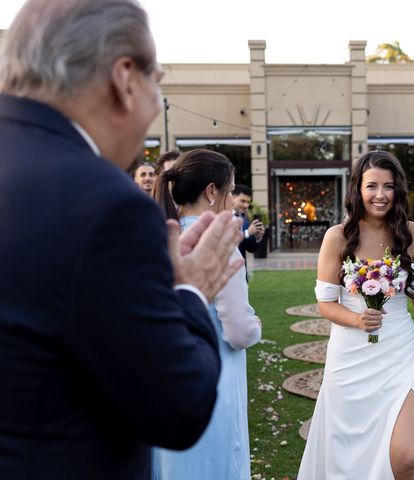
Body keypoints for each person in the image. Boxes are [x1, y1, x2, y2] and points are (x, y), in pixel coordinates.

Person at [0, 1, 245, 478]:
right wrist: (191, 291)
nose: (156, 102)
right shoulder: (103, 204)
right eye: (158, 79)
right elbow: (178, 407)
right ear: (124, 77)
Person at [298, 151, 414, 480]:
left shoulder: (413, 234)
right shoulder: (337, 236)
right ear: (357, 189)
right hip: (351, 358)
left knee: (407, 455)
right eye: (372, 186)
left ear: (398, 190)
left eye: (388, 186)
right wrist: (357, 319)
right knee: (347, 456)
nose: (381, 195)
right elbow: (325, 304)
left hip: (401, 352)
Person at [154, 149, 262, 479]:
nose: (232, 200)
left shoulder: (161, 238)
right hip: (213, 377)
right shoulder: (217, 243)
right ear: (212, 191)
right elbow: (238, 332)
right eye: (230, 192)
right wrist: (256, 323)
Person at [232, 184, 265, 262]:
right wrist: (247, 233)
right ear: (232, 198)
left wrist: (257, 237)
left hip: (242, 271)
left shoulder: (245, 220)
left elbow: (250, 249)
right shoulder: (221, 217)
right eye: (242, 201)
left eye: (248, 202)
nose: (246, 205)